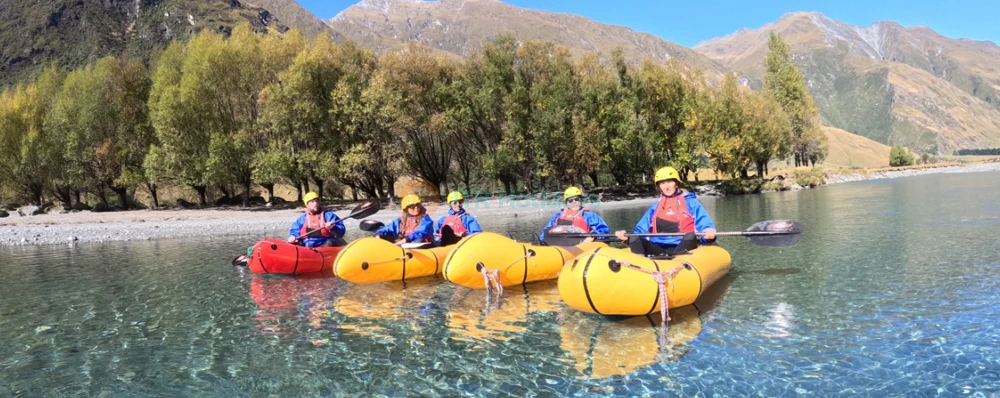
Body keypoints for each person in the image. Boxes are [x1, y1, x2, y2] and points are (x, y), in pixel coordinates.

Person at [615, 167, 717, 256]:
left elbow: (705, 224)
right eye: (662, 183)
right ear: (659, 186)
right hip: (659, 249)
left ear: (676, 183)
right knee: (634, 237)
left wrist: (708, 233)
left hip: (684, 246)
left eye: (669, 182)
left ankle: (677, 262)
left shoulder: (691, 203)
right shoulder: (656, 206)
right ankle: (639, 269)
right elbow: (640, 231)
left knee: (690, 236)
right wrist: (627, 238)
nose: (666, 186)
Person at [540, 187, 610, 243]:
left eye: (576, 199)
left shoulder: (589, 216)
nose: (574, 202)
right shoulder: (557, 216)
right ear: (566, 203)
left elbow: (603, 229)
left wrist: (593, 236)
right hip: (561, 245)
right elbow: (546, 230)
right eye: (570, 200)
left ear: (581, 200)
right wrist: (543, 239)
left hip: (583, 245)